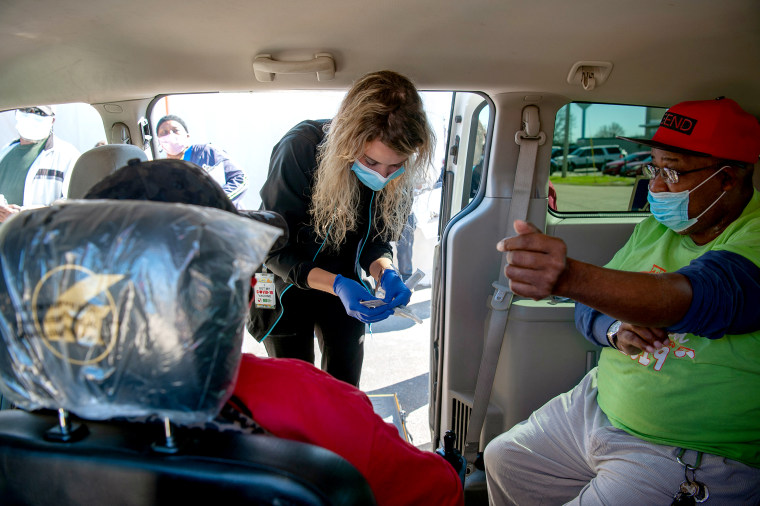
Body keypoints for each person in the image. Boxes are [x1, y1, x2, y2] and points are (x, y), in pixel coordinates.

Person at [82, 158, 464, 506]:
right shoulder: (309, 400)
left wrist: (382, 267)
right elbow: (441, 492)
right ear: (243, 292)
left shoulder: (40, 403)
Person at [484, 97, 760, 504]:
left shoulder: (752, 239)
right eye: (653, 167)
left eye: (673, 171)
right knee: (504, 458)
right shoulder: (658, 229)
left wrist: (569, 277)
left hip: (684, 452)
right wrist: (613, 328)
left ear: (728, 178)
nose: (656, 186)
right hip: (595, 408)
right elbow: (593, 304)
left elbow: (695, 298)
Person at [250, 70, 434, 386]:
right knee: (296, 388)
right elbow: (272, 249)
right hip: (284, 282)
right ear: (348, 141)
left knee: (345, 383)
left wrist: (385, 272)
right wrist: (337, 285)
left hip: (345, 283)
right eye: (372, 162)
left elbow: (376, 242)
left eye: (395, 165)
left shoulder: (394, 178)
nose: (383, 175)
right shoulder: (301, 148)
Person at [0, 105, 80, 222]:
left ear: (52, 120)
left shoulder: (68, 156)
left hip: (37, 238)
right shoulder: (5, 152)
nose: (30, 115)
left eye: (39, 112)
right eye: (25, 110)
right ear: (16, 113)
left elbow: (74, 207)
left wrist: (23, 216)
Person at [155, 114, 248, 207]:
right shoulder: (160, 171)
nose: (170, 135)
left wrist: (217, 201)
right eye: (164, 132)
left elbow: (240, 178)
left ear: (187, 136)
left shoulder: (207, 152)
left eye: (175, 130)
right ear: (159, 141)